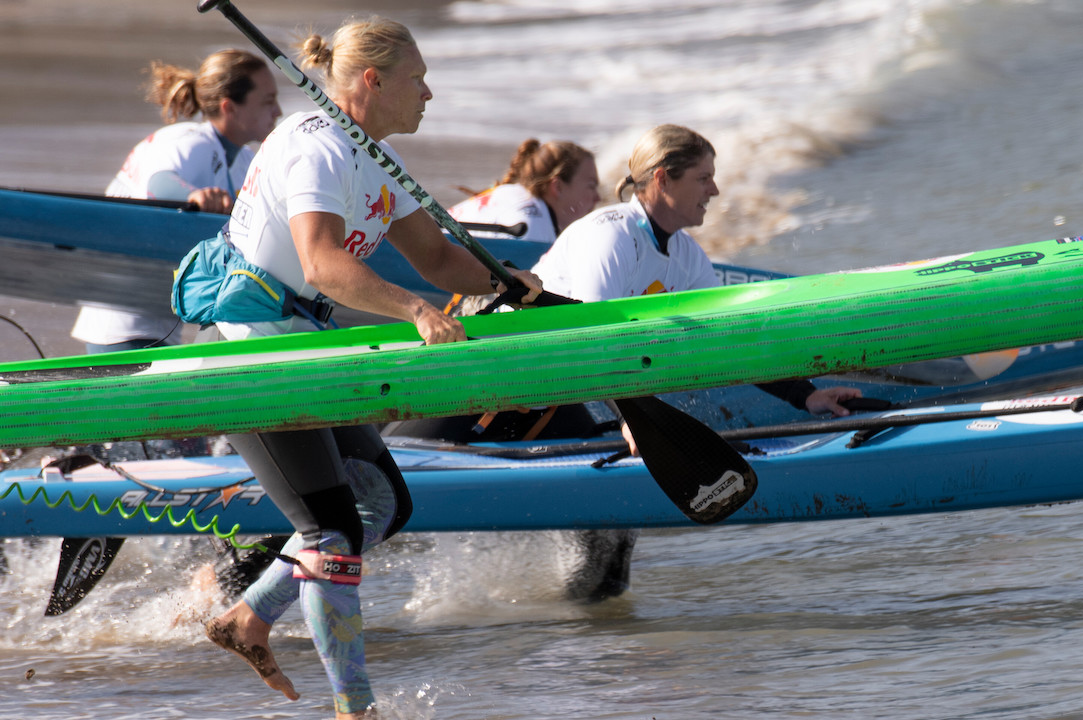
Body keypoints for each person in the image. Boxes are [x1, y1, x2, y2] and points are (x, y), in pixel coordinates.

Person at [196, 17, 540, 720]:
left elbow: (440, 259)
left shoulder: (377, 160)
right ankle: (356, 709)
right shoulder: (316, 147)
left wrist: (505, 278)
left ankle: (246, 620)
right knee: (333, 530)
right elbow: (325, 263)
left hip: (303, 348)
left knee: (383, 502)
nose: (430, 93)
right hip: (251, 351)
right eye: (418, 80)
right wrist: (416, 312)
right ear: (373, 82)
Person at [531, 124, 862, 454]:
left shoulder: (686, 254)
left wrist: (805, 396)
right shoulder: (611, 237)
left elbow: (728, 340)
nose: (714, 190)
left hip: (566, 390)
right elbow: (594, 340)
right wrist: (630, 418)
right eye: (703, 178)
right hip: (513, 382)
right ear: (662, 179)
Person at [71, 49, 282, 354]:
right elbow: (159, 185)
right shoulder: (188, 142)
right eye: (268, 101)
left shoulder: (245, 159)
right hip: (122, 317)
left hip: (161, 316)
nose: (277, 111)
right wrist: (193, 196)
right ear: (230, 107)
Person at [449, 138, 601, 243]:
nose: (597, 198)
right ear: (558, 187)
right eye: (591, 186)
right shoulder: (532, 226)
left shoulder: (512, 195)